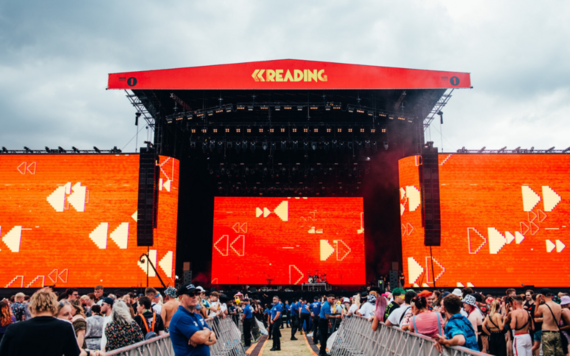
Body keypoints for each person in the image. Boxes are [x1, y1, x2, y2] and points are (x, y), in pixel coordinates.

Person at [0, 288, 102, 356]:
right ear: (54, 308)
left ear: (31, 308)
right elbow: (73, 354)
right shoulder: (65, 327)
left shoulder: (14, 328)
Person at [169, 284, 217, 356]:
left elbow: (213, 339)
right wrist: (206, 332)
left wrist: (201, 338)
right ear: (181, 297)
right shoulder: (180, 316)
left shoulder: (198, 316)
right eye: (190, 294)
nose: (195, 296)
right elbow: (200, 338)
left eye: (196, 294)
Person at [535, 288, 570, 356]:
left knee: (548, 354)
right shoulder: (559, 306)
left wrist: (537, 302)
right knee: (558, 353)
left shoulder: (542, 307)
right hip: (557, 333)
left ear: (542, 296)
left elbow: (536, 315)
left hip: (547, 332)